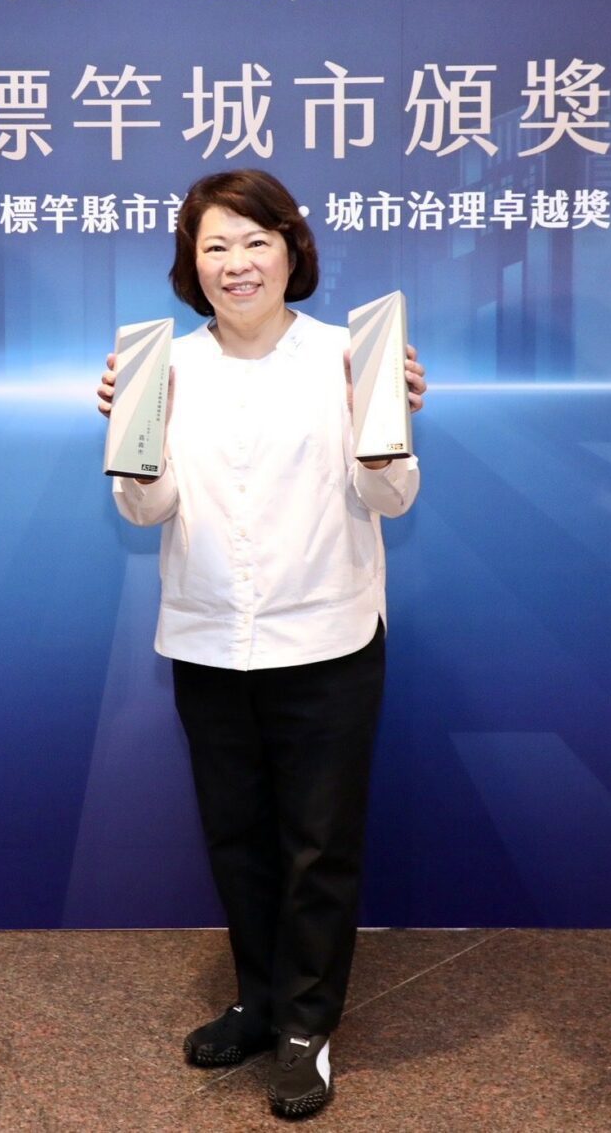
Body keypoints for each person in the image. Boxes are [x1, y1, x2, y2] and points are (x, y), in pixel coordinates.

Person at [95, 169, 424, 1120]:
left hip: (326, 638)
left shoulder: (350, 356)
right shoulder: (160, 365)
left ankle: (308, 1028)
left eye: (255, 240)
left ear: (291, 249)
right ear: (191, 265)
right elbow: (145, 509)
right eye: (215, 246)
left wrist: (388, 430)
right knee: (237, 839)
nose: (237, 263)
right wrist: (132, 441)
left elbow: (392, 497)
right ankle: (260, 999)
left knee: (319, 846)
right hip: (210, 637)